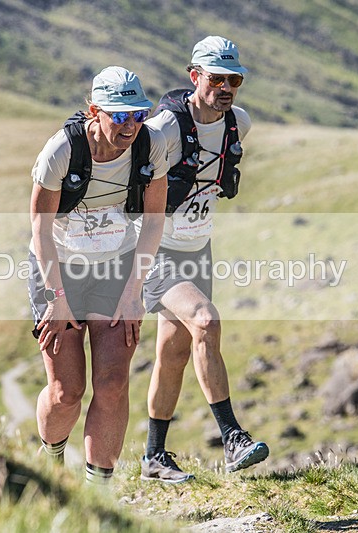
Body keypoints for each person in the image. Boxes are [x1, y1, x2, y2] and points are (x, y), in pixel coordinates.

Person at [28, 66, 168, 484]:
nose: (130, 125)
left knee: (111, 385)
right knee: (66, 392)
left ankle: (98, 497)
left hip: (117, 267)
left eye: (138, 114)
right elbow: (39, 229)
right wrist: (56, 298)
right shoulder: (61, 151)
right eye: (119, 115)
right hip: (59, 268)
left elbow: (155, 221)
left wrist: (134, 292)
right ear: (94, 111)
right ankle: (51, 459)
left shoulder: (151, 144)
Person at [139, 36, 269, 483]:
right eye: (218, 78)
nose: (227, 87)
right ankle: (232, 438)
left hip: (198, 250)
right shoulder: (163, 130)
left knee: (172, 353)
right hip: (154, 251)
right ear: (194, 76)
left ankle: (154, 457)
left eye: (235, 79)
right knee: (207, 321)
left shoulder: (240, 123)